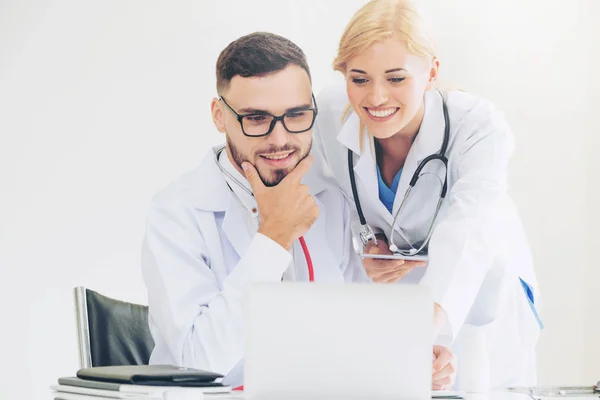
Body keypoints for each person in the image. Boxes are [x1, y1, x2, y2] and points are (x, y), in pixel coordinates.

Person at [141, 32, 456, 389]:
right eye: (256, 119)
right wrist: (273, 238)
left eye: (296, 115)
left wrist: (410, 356)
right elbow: (197, 365)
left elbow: (355, 335)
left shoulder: (330, 200)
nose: (280, 139)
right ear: (219, 116)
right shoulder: (176, 212)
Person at [312, 0, 542, 389]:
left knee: (476, 383)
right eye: (359, 78)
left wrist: (423, 333)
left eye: (396, 78)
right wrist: (368, 245)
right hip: (399, 300)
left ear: (431, 72)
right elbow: (330, 203)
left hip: (479, 292)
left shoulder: (477, 126)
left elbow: (468, 230)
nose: (376, 98)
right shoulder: (328, 115)